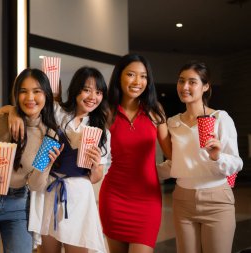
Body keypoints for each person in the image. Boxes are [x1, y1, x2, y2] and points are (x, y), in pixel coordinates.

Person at [5, 66, 111, 252]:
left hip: (79, 196)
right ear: (76, 90)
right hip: (47, 189)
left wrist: (94, 166)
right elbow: (22, 109)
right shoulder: (56, 111)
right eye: (86, 90)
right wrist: (14, 114)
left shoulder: (102, 132)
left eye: (98, 92)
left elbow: (96, 177)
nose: (92, 96)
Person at [158, 61, 243, 253]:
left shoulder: (220, 118)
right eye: (181, 81)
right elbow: (176, 163)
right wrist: (142, 170)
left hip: (217, 200)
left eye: (192, 82)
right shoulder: (172, 123)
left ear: (205, 87)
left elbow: (237, 163)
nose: (184, 87)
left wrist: (217, 156)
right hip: (182, 200)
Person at [98, 54, 171, 253]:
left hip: (148, 199)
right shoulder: (106, 111)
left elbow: (171, 152)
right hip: (114, 197)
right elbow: (73, 121)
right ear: (119, 77)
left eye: (143, 76)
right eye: (131, 75)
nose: (138, 82)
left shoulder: (155, 111)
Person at [0, 68, 63, 253]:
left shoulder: (50, 134)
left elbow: (36, 186)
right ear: (16, 95)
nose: (30, 97)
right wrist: (11, 111)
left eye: (37, 91)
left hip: (18, 206)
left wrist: (46, 165)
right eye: (23, 91)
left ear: (46, 94)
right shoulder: (0, 121)